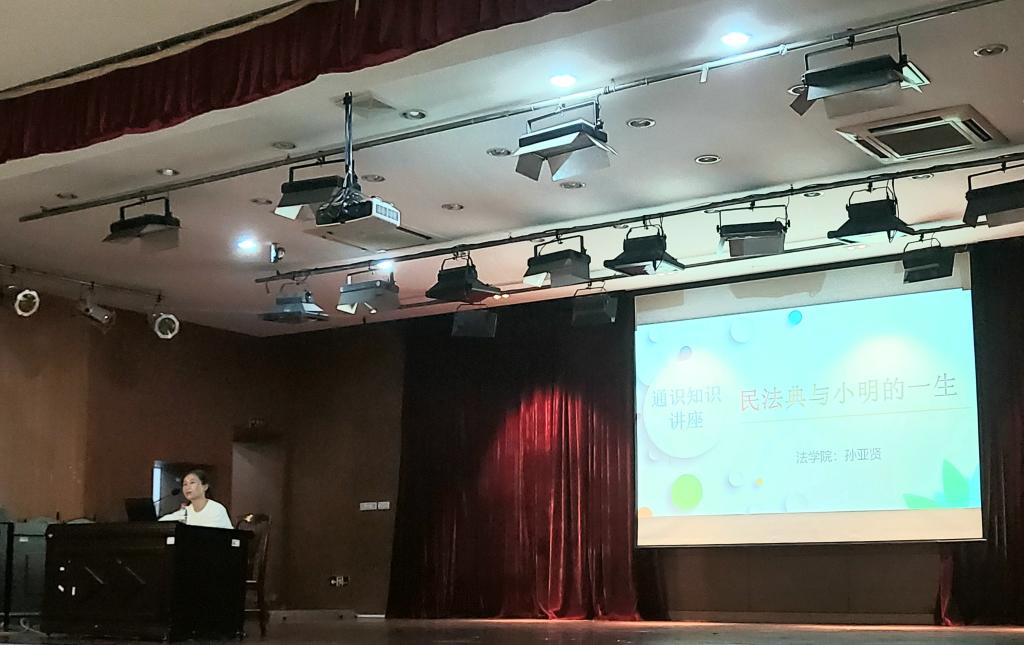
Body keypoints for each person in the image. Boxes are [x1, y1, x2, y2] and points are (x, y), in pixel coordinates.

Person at [158, 469, 233, 529]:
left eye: (192, 482)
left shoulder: (216, 509)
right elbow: (161, 523)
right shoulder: (184, 512)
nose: (187, 487)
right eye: (185, 484)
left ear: (205, 487)